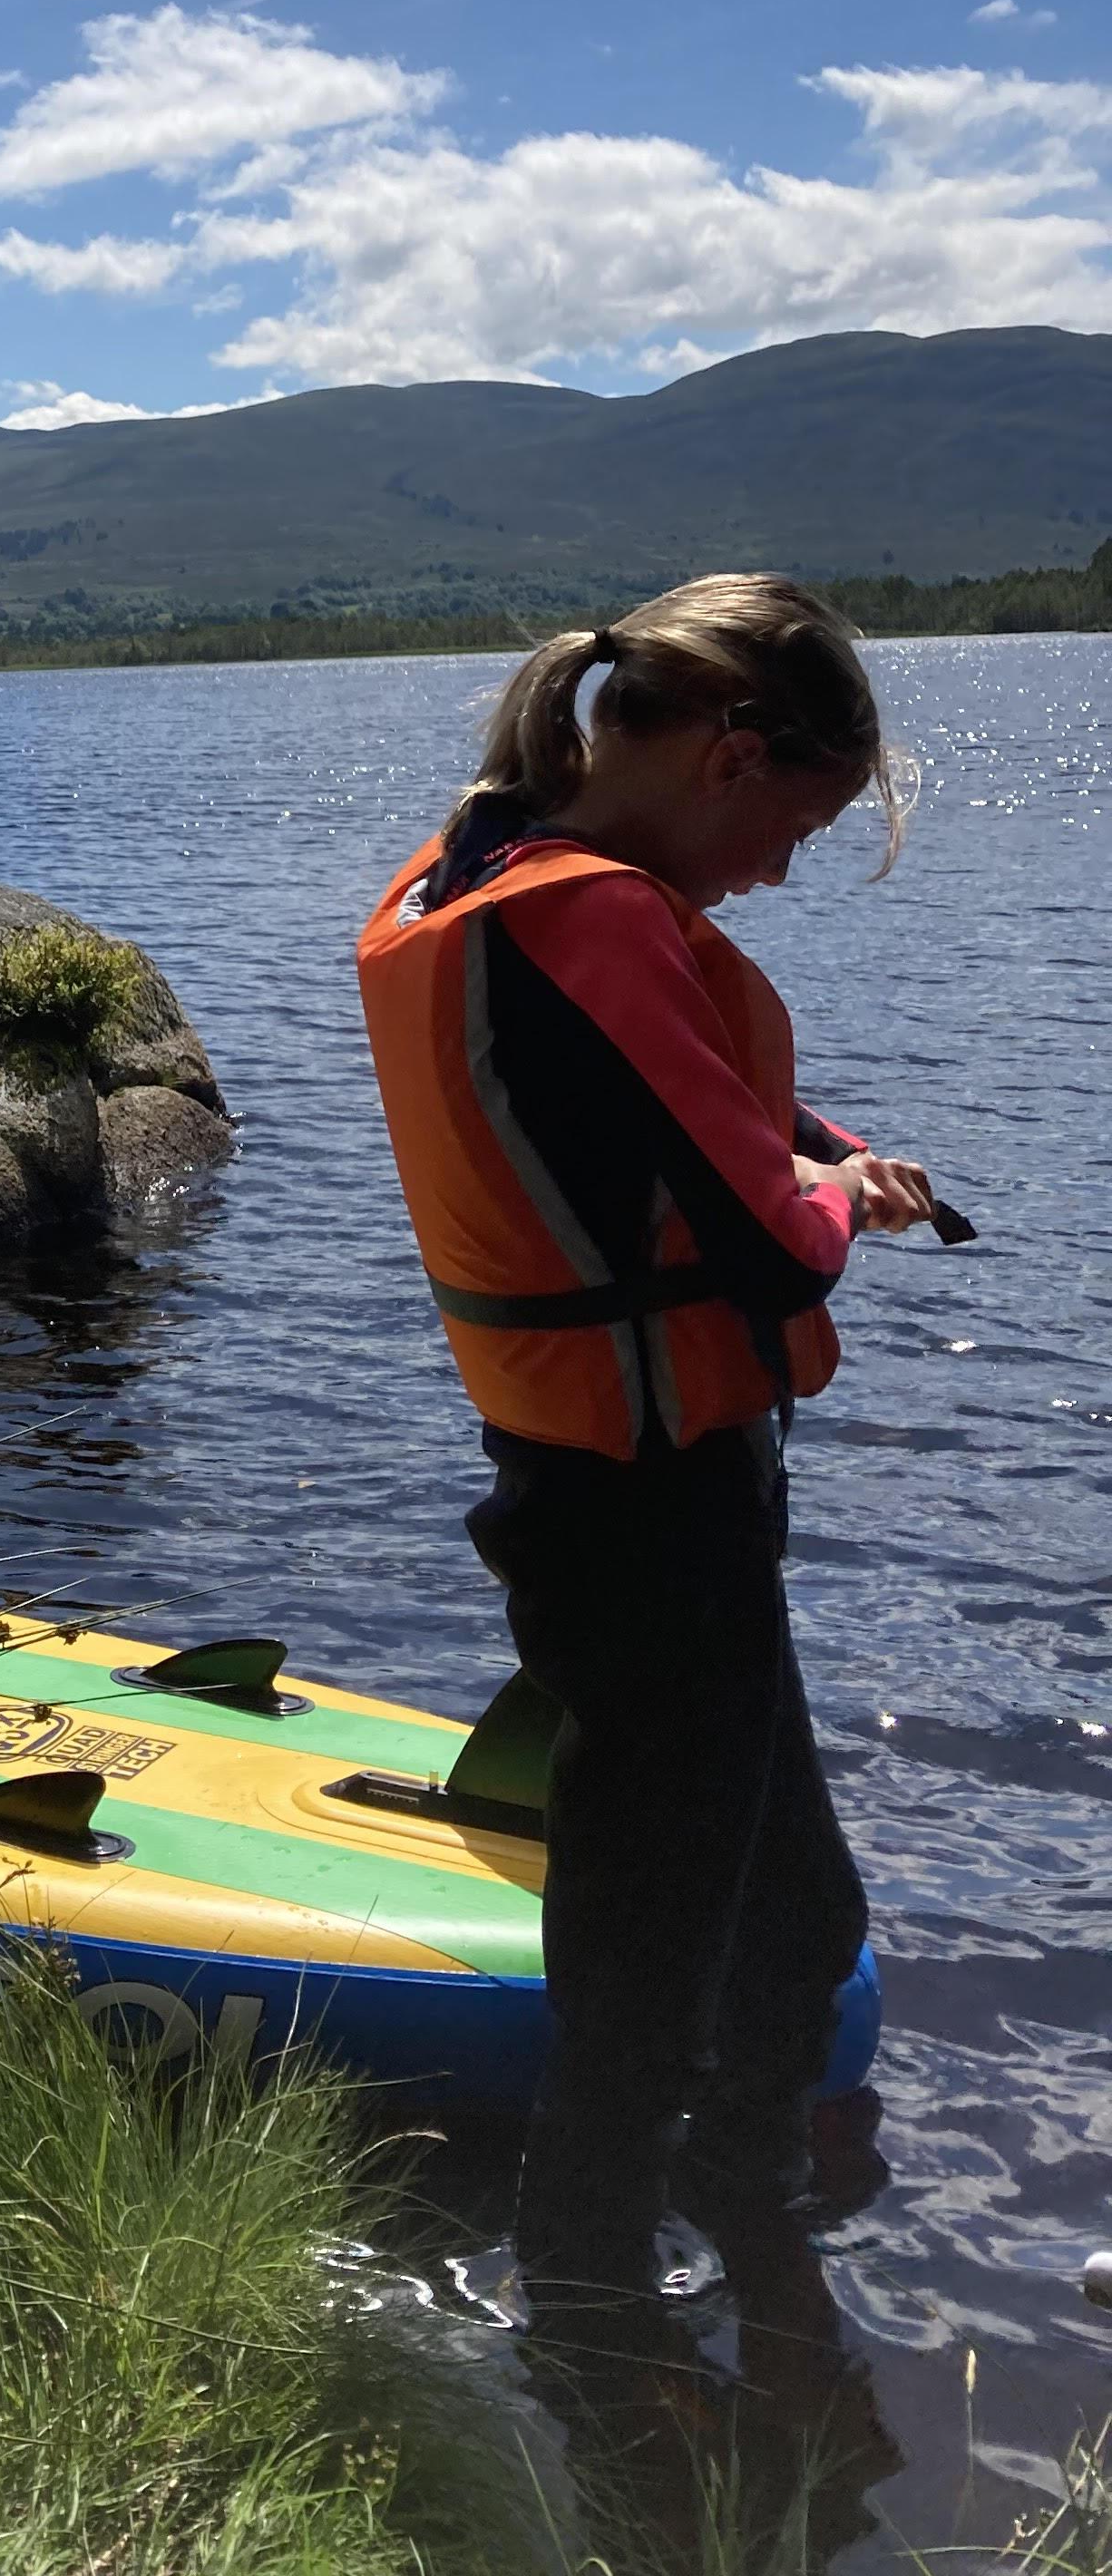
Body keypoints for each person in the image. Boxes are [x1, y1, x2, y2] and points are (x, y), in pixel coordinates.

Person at [354, 577, 939, 2357]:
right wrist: (837, 1193)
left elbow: (635, 1114)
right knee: (651, 1959)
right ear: (731, 756)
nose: (777, 870)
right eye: (796, 824)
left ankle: (764, 2271)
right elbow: (778, 1253)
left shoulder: (471, 876)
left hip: (613, 1487)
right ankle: (598, 2326)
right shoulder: (596, 927)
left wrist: (827, 1141)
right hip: (650, 1506)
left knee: (788, 1915)